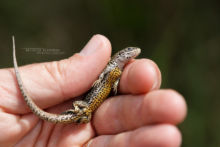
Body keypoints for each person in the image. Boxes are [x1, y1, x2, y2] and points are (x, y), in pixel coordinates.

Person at [0, 35, 187, 147]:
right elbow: (104, 74)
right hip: (87, 105)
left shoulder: (117, 71)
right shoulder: (112, 64)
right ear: (121, 54)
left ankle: (74, 114)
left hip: (87, 111)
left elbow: (112, 82)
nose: (133, 52)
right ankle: (74, 112)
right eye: (129, 50)